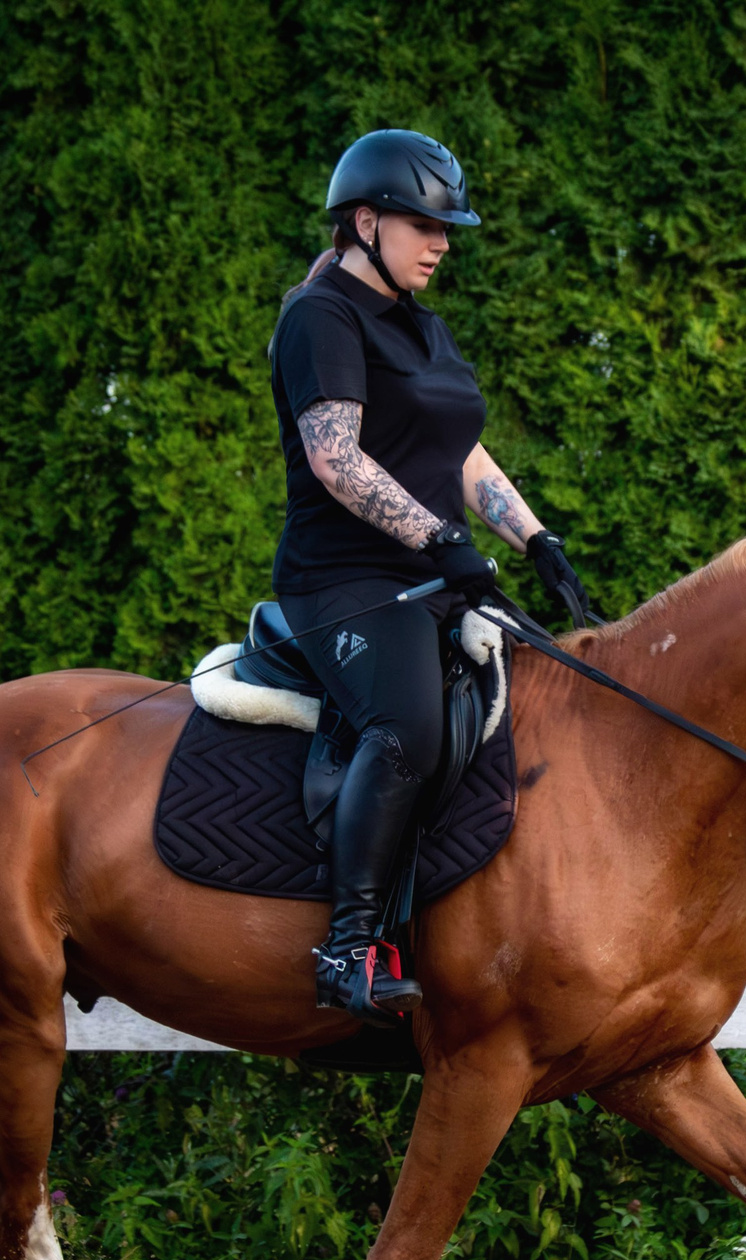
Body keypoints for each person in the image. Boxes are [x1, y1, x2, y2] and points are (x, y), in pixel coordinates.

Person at [268, 129, 594, 1027]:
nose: (443, 241)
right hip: (344, 579)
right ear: (365, 222)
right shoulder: (320, 316)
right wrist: (443, 539)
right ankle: (349, 946)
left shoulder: (422, 322)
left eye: (447, 226)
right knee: (407, 723)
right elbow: (336, 460)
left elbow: (459, 450)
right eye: (425, 224)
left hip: (429, 571)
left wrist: (536, 539)